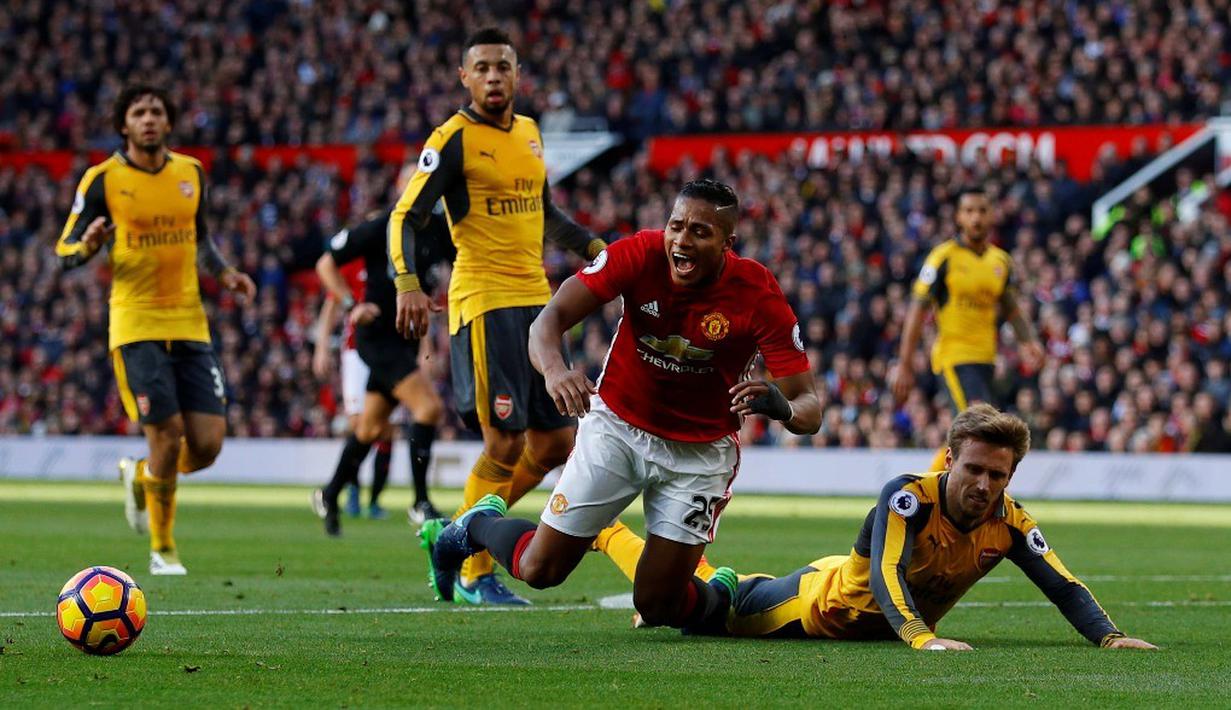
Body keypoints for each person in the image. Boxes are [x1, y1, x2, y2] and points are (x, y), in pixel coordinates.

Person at [423, 178, 822, 632]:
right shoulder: (638, 253)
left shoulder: (757, 293)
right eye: (676, 226)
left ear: (728, 243)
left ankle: (719, 595)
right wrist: (555, 372)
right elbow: (546, 322)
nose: (682, 241)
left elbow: (810, 406)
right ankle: (476, 524)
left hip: (699, 453)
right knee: (540, 570)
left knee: (658, 606)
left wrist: (784, 409)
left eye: (700, 232)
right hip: (617, 428)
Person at [597, 404, 1157, 651]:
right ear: (948, 458)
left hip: (845, 586)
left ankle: (702, 573)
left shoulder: (1009, 523)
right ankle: (605, 532)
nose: (985, 484)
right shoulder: (908, 496)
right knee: (684, 607)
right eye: (974, 469)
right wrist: (922, 637)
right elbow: (889, 574)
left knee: (698, 587)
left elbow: (1062, 584)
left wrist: (1108, 635)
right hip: (812, 609)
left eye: (998, 475)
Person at [388, 27, 606, 605]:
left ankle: (452, 535)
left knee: (557, 442)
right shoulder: (453, 138)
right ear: (464, 77)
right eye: (481, 67)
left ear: (516, 76)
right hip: (483, 304)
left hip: (538, 304)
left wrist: (593, 249)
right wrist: (407, 283)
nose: (492, 77)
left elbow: (543, 212)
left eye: (501, 67)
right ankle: (474, 572)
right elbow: (406, 216)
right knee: (505, 443)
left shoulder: (530, 134)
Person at [55, 84, 256, 575]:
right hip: (135, 323)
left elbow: (200, 238)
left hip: (190, 322)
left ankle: (145, 476)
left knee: (206, 446)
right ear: (124, 125)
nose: (148, 119)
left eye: (156, 112)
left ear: (168, 123)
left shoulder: (191, 172)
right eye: (138, 112)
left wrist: (225, 273)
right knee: (166, 435)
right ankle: (162, 548)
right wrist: (90, 245)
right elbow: (64, 252)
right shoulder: (102, 179)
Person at [312, 166, 453, 537]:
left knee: (371, 426)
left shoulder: (438, 230)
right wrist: (348, 304)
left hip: (406, 338)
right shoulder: (381, 227)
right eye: (409, 182)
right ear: (398, 188)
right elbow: (326, 262)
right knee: (429, 408)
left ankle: (330, 493)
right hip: (377, 337)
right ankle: (420, 501)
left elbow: (455, 270)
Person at [891, 188, 1045, 472]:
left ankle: (930, 492)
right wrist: (904, 362)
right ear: (959, 217)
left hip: (986, 360)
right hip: (954, 356)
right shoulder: (943, 258)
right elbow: (917, 309)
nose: (976, 217)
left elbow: (1010, 307)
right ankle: (922, 495)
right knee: (976, 429)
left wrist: (1027, 341)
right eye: (970, 211)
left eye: (982, 211)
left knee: (970, 433)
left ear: (992, 216)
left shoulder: (1000, 261)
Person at [313, 254, 396, 520]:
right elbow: (331, 305)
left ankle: (374, 500)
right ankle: (352, 493)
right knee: (359, 424)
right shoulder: (352, 262)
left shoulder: (397, 258)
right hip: (355, 352)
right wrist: (322, 347)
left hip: (390, 351)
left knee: (386, 429)